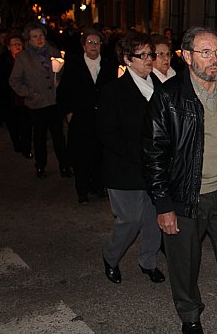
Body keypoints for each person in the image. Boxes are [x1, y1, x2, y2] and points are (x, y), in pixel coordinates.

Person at [142, 27, 217, 334]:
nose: (214, 59)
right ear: (187, 56)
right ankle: (190, 318)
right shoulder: (168, 98)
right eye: (205, 52)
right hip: (184, 198)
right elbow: (153, 155)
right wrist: (163, 205)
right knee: (184, 266)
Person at [97, 31, 164, 284]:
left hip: (155, 169)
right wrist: (141, 155)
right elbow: (107, 134)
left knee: (153, 219)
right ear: (127, 59)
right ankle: (111, 256)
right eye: (142, 55)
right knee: (131, 220)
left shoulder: (161, 87)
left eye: (151, 54)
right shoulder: (113, 91)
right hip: (124, 168)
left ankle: (148, 262)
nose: (149, 59)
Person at [57, 29, 117, 203]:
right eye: (90, 42)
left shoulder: (109, 65)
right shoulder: (73, 65)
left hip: (102, 119)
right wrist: (68, 113)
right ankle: (81, 189)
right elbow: (64, 92)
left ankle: (98, 186)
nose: (94, 46)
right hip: (81, 118)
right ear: (83, 45)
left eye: (97, 43)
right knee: (80, 154)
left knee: (99, 154)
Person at [9, 21, 71, 179]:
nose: (39, 39)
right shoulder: (23, 57)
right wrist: (30, 93)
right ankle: (40, 166)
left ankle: (64, 166)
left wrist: (60, 82)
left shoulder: (54, 52)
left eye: (41, 35)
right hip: (37, 103)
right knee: (39, 137)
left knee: (58, 136)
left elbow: (64, 72)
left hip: (54, 101)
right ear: (28, 40)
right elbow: (14, 81)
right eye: (35, 36)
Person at [0, 34, 32, 158]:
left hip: (25, 97)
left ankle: (26, 148)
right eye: (14, 44)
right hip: (9, 98)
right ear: (8, 47)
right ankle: (17, 143)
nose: (17, 46)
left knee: (26, 124)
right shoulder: (2, 60)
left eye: (19, 44)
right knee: (13, 124)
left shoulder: (27, 58)